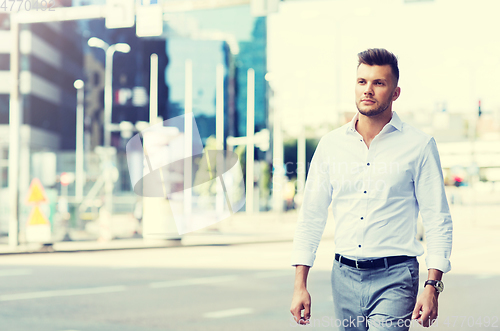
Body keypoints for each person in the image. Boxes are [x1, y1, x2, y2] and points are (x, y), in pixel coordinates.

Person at [289, 48, 452, 330]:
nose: (368, 90)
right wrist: (299, 284)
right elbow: (311, 216)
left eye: (379, 83)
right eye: (362, 82)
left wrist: (432, 284)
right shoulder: (331, 145)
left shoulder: (419, 145)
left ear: (395, 92)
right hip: (344, 276)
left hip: (396, 276)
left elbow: (437, 218)